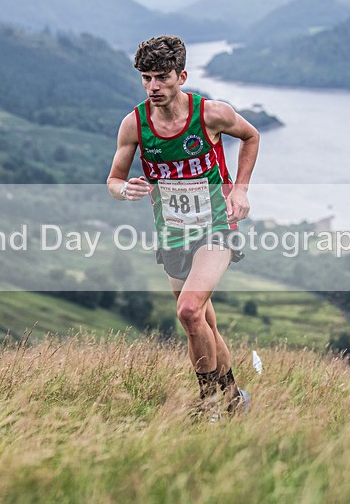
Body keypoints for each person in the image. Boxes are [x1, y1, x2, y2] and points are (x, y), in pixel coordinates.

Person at [107, 35, 260, 419]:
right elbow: (113, 180)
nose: (154, 87)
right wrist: (126, 190)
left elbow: (251, 136)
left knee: (189, 311)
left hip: (216, 227)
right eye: (146, 78)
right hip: (172, 232)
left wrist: (240, 189)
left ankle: (207, 405)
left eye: (162, 77)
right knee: (204, 322)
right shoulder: (134, 124)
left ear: (182, 75)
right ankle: (234, 400)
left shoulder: (211, 114)